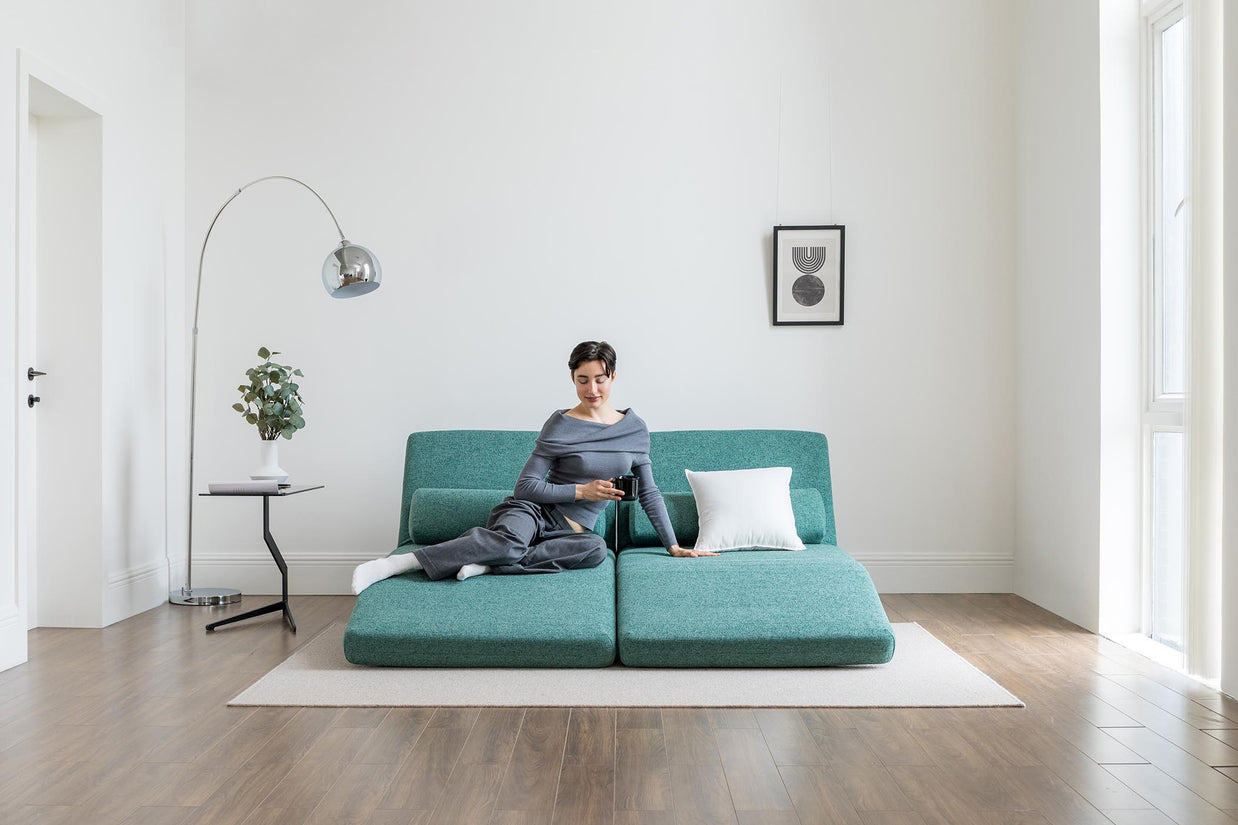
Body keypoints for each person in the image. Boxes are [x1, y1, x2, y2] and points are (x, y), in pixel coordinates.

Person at [351, 340, 716, 595]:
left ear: (613, 378)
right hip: (531, 511)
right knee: (512, 539)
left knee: (595, 552)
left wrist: (672, 545)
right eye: (583, 380)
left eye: (600, 379)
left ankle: (491, 562)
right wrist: (581, 491)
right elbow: (525, 486)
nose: (592, 389)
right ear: (572, 379)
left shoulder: (635, 429)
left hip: (570, 533)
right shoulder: (560, 424)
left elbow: (649, 492)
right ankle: (398, 565)